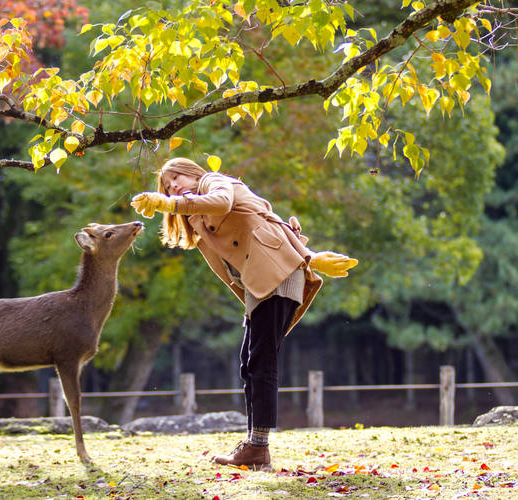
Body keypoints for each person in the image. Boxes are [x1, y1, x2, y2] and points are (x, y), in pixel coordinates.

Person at [131, 157, 358, 470]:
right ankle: (255, 445)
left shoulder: (215, 182)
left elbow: (224, 203)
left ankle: (258, 448)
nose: (173, 186)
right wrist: (310, 258)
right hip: (260, 283)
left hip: (276, 275)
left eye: (176, 178)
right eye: (167, 185)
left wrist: (167, 203)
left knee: (261, 362)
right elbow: (267, 219)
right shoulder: (198, 221)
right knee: (250, 364)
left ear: (193, 173)